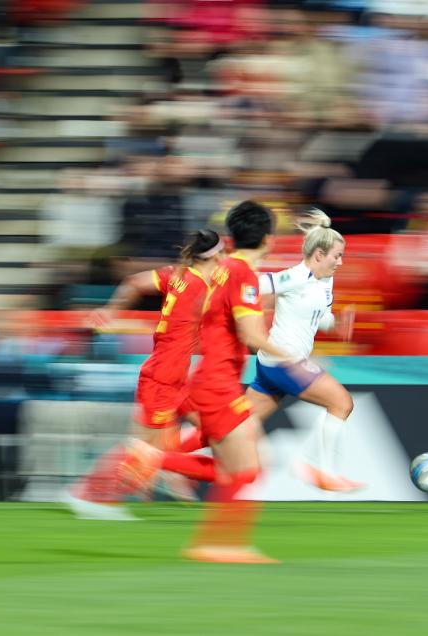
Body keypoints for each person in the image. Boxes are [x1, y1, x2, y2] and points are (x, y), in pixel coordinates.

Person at [126, 200, 293, 563]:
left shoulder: (221, 270)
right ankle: (222, 544)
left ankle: (157, 462)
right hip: (218, 383)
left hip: (207, 378)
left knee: (232, 469)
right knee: (250, 467)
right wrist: (291, 357)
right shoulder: (242, 274)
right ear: (269, 238)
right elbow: (251, 335)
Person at [65, 230, 224, 521]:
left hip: (171, 374)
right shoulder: (201, 287)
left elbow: (133, 282)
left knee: (213, 428)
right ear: (214, 256)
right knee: (141, 447)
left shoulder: (177, 274)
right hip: (165, 377)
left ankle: (167, 470)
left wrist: (111, 311)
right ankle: (89, 493)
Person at [247, 209, 360, 492]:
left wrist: (336, 323)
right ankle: (320, 469)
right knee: (342, 403)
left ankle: (165, 457)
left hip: (273, 366)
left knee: (239, 425)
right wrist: (243, 315)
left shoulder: (326, 279)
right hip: (284, 362)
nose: (341, 262)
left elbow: (320, 317)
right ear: (319, 255)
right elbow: (252, 287)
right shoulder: (295, 277)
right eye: (337, 256)